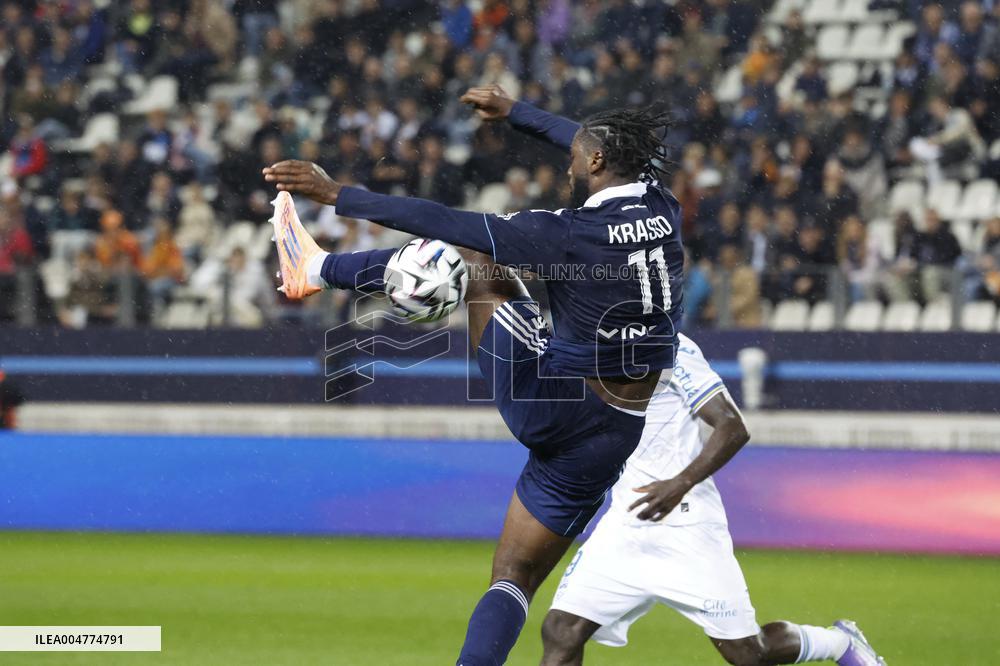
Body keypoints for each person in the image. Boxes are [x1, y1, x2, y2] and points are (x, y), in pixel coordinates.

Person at [263, 85, 683, 666]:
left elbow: (441, 219)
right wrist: (516, 114)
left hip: (552, 402)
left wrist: (339, 194)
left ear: (595, 162)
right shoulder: (662, 204)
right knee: (514, 580)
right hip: (615, 432)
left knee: (472, 255)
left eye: (574, 157)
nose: (568, 165)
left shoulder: (567, 233)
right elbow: (585, 140)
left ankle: (317, 268)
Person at [540, 333, 887, 666]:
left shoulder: (672, 348)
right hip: (624, 526)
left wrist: (679, 483)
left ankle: (839, 642)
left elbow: (733, 426)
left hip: (685, 525)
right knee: (562, 631)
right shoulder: (586, 346)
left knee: (748, 654)